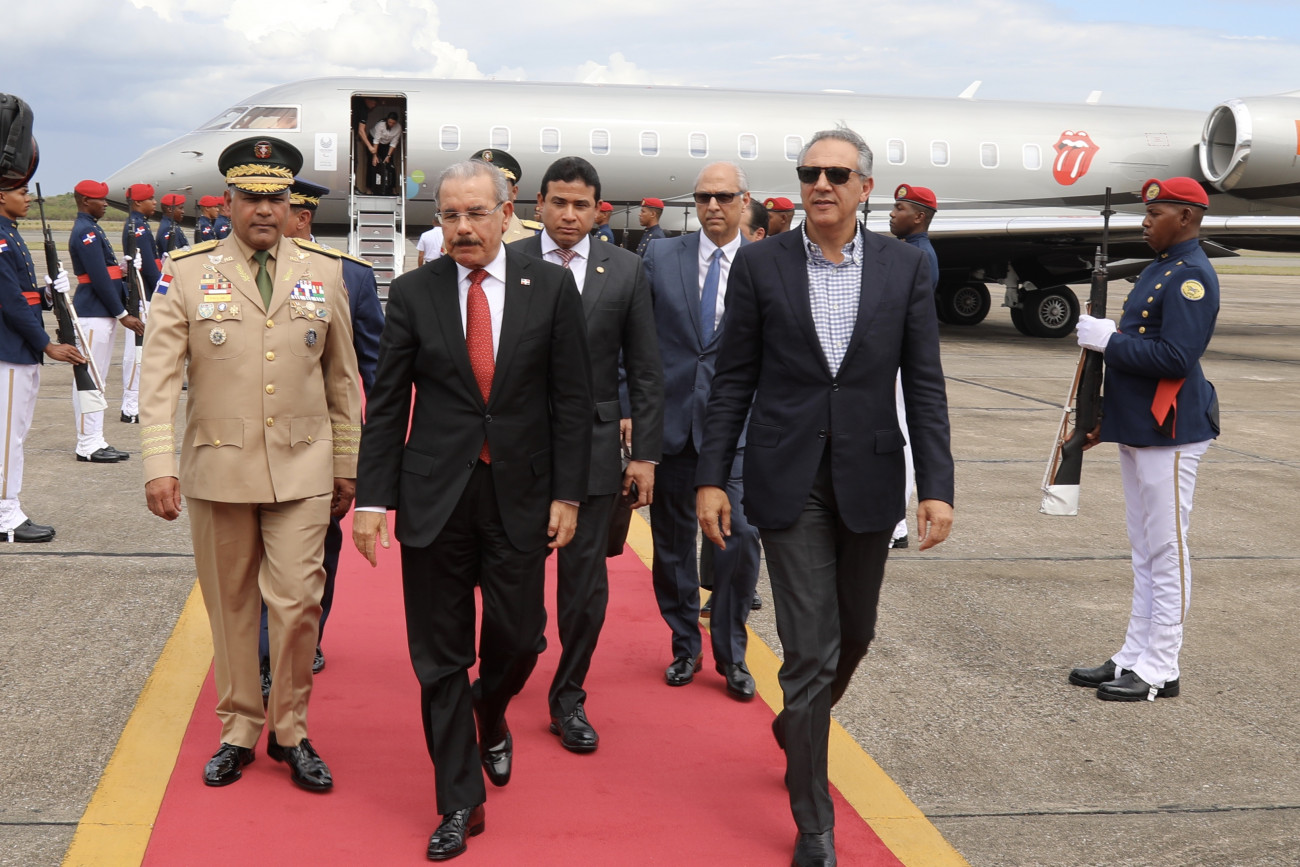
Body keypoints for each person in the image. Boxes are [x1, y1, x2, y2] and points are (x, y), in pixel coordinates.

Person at [696, 129, 955, 867]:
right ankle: (814, 820)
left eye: (837, 174)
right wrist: (712, 476)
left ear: (865, 187)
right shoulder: (761, 262)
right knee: (809, 651)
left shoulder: (905, 267)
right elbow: (733, 378)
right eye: (810, 172)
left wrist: (937, 486)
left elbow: (925, 383)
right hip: (788, 478)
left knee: (856, 634)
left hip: (869, 477)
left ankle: (798, 724)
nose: (821, 184)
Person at [351, 159, 592, 861]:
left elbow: (573, 399)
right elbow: (387, 402)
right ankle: (459, 798)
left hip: (521, 493)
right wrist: (372, 498)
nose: (462, 227)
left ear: (506, 213)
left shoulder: (550, 286)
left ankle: (491, 709)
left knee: (521, 637)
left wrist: (568, 493)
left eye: (475, 214)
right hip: (435, 497)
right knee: (439, 655)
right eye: (450, 215)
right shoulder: (415, 292)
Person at [140, 137, 362, 794]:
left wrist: (347, 462)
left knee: (298, 602)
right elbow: (159, 379)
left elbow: (341, 379)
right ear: (230, 202)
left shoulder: (326, 272)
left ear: (290, 204)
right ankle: (239, 727)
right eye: (251, 197)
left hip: (303, 468)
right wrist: (158, 463)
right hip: (218, 469)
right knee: (231, 605)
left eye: (276, 198)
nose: (264, 209)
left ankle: (290, 729)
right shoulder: (186, 272)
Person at [511, 156, 662, 753]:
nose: (569, 215)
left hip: (596, 449)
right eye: (559, 202)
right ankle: (516, 656)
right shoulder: (510, 261)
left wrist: (644, 454)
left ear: (598, 211)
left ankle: (569, 695)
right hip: (521, 447)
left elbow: (646, 369)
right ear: (539, 205)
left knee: (583, 584)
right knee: (514, 578)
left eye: (581, 205)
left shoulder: (625, 270)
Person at [1068, 177, 1220, 703]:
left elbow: (1176, 358)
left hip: (1170, 431)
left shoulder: (1192, 276)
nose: (1146, 222)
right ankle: (1134, 653)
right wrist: (1104, 415)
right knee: (1144, 550)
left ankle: (1161, 666)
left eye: (1157, 214)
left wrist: (1108, 341)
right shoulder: (1161, 268)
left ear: (1186, 217)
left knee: (1167, 549)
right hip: (1139, 426)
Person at [256, 176, 386, 696]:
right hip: (248, 445)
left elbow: (372, 371)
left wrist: (366, 452)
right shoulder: (227, 267)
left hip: (317, 446)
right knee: (249, 555)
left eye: (277, 205)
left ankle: (305, 638)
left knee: (314, 552)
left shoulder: (348, 276)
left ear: (302, 217)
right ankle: (262, 650)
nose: (264, 214)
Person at [643, 162, 761, 701]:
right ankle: (684, 645)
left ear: (744, 201)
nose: (713, 206)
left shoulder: (765, 264)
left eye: (724, 196)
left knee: (740, 539)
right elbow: (636, 340)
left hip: (737, 431)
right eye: (703, 197)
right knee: (671, 545)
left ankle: (732, 652)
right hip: (671, 426)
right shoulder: (661, 256)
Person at [1, 182, 86, 542]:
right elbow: (10, 302)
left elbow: (26, 295)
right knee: (8, 438)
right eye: (21, 192)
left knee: (14, 433)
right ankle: (5, 516)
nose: (28, 199)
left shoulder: (10, 234)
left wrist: (49, 292)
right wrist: (47, 344)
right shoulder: (1, 239)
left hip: (20, 348)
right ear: (1, 195)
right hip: (10, 349)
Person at [68, 180, 142, 462]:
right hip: (93, 313)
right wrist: (122, 313)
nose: (105, 203)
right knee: (89, 379)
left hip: (100, 312)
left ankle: (95, 438)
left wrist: (121, 270)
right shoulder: (85, 231)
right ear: (86, 201)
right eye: (100, 199)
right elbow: (98, 278)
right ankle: (87, 443)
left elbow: (105, 271)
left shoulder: (92, 227)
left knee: (97, 380)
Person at [886, 183, 941, 549]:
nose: (892, 214)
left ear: (919, 217)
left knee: (900, 437)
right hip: (895, 357)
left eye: (900, 208)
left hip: (901, 359)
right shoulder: (911, 251)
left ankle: (896, 524)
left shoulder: (919, 256)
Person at [121, 183, 161, 424]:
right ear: (137, 202)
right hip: (141, 295)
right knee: (134, 352)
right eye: (150, 199)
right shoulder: (138, 227)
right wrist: (163, 291)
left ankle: (136, 400)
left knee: (142, 351)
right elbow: (148, 267)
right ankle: (130, 405)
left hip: (144, 293)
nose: (154, 202)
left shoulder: (140, 224)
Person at [469, 148, 542, 244]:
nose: (489, 191)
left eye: (499, 185)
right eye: (480, 184)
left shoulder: (536, 236)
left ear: (514, 192)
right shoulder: (457, 233)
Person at [367, 111, 403, 195]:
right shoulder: (380, 125)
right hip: (374, 141)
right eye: (390, 122)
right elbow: (376, 140)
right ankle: (369, 188)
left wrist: (388, 156)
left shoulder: (398, 128)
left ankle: (392, 189)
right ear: (387, 120)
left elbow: (394, 143)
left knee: (390, 164)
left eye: (393, 123)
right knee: (373, 163)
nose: (391, 124)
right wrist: (374, 155)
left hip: (386, 144)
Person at [155, 193, 189, 258]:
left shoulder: (172, 224)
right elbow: (175, 255)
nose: (183, 212)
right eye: (180, 208)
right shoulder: (168, 228)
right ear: (170, 209)